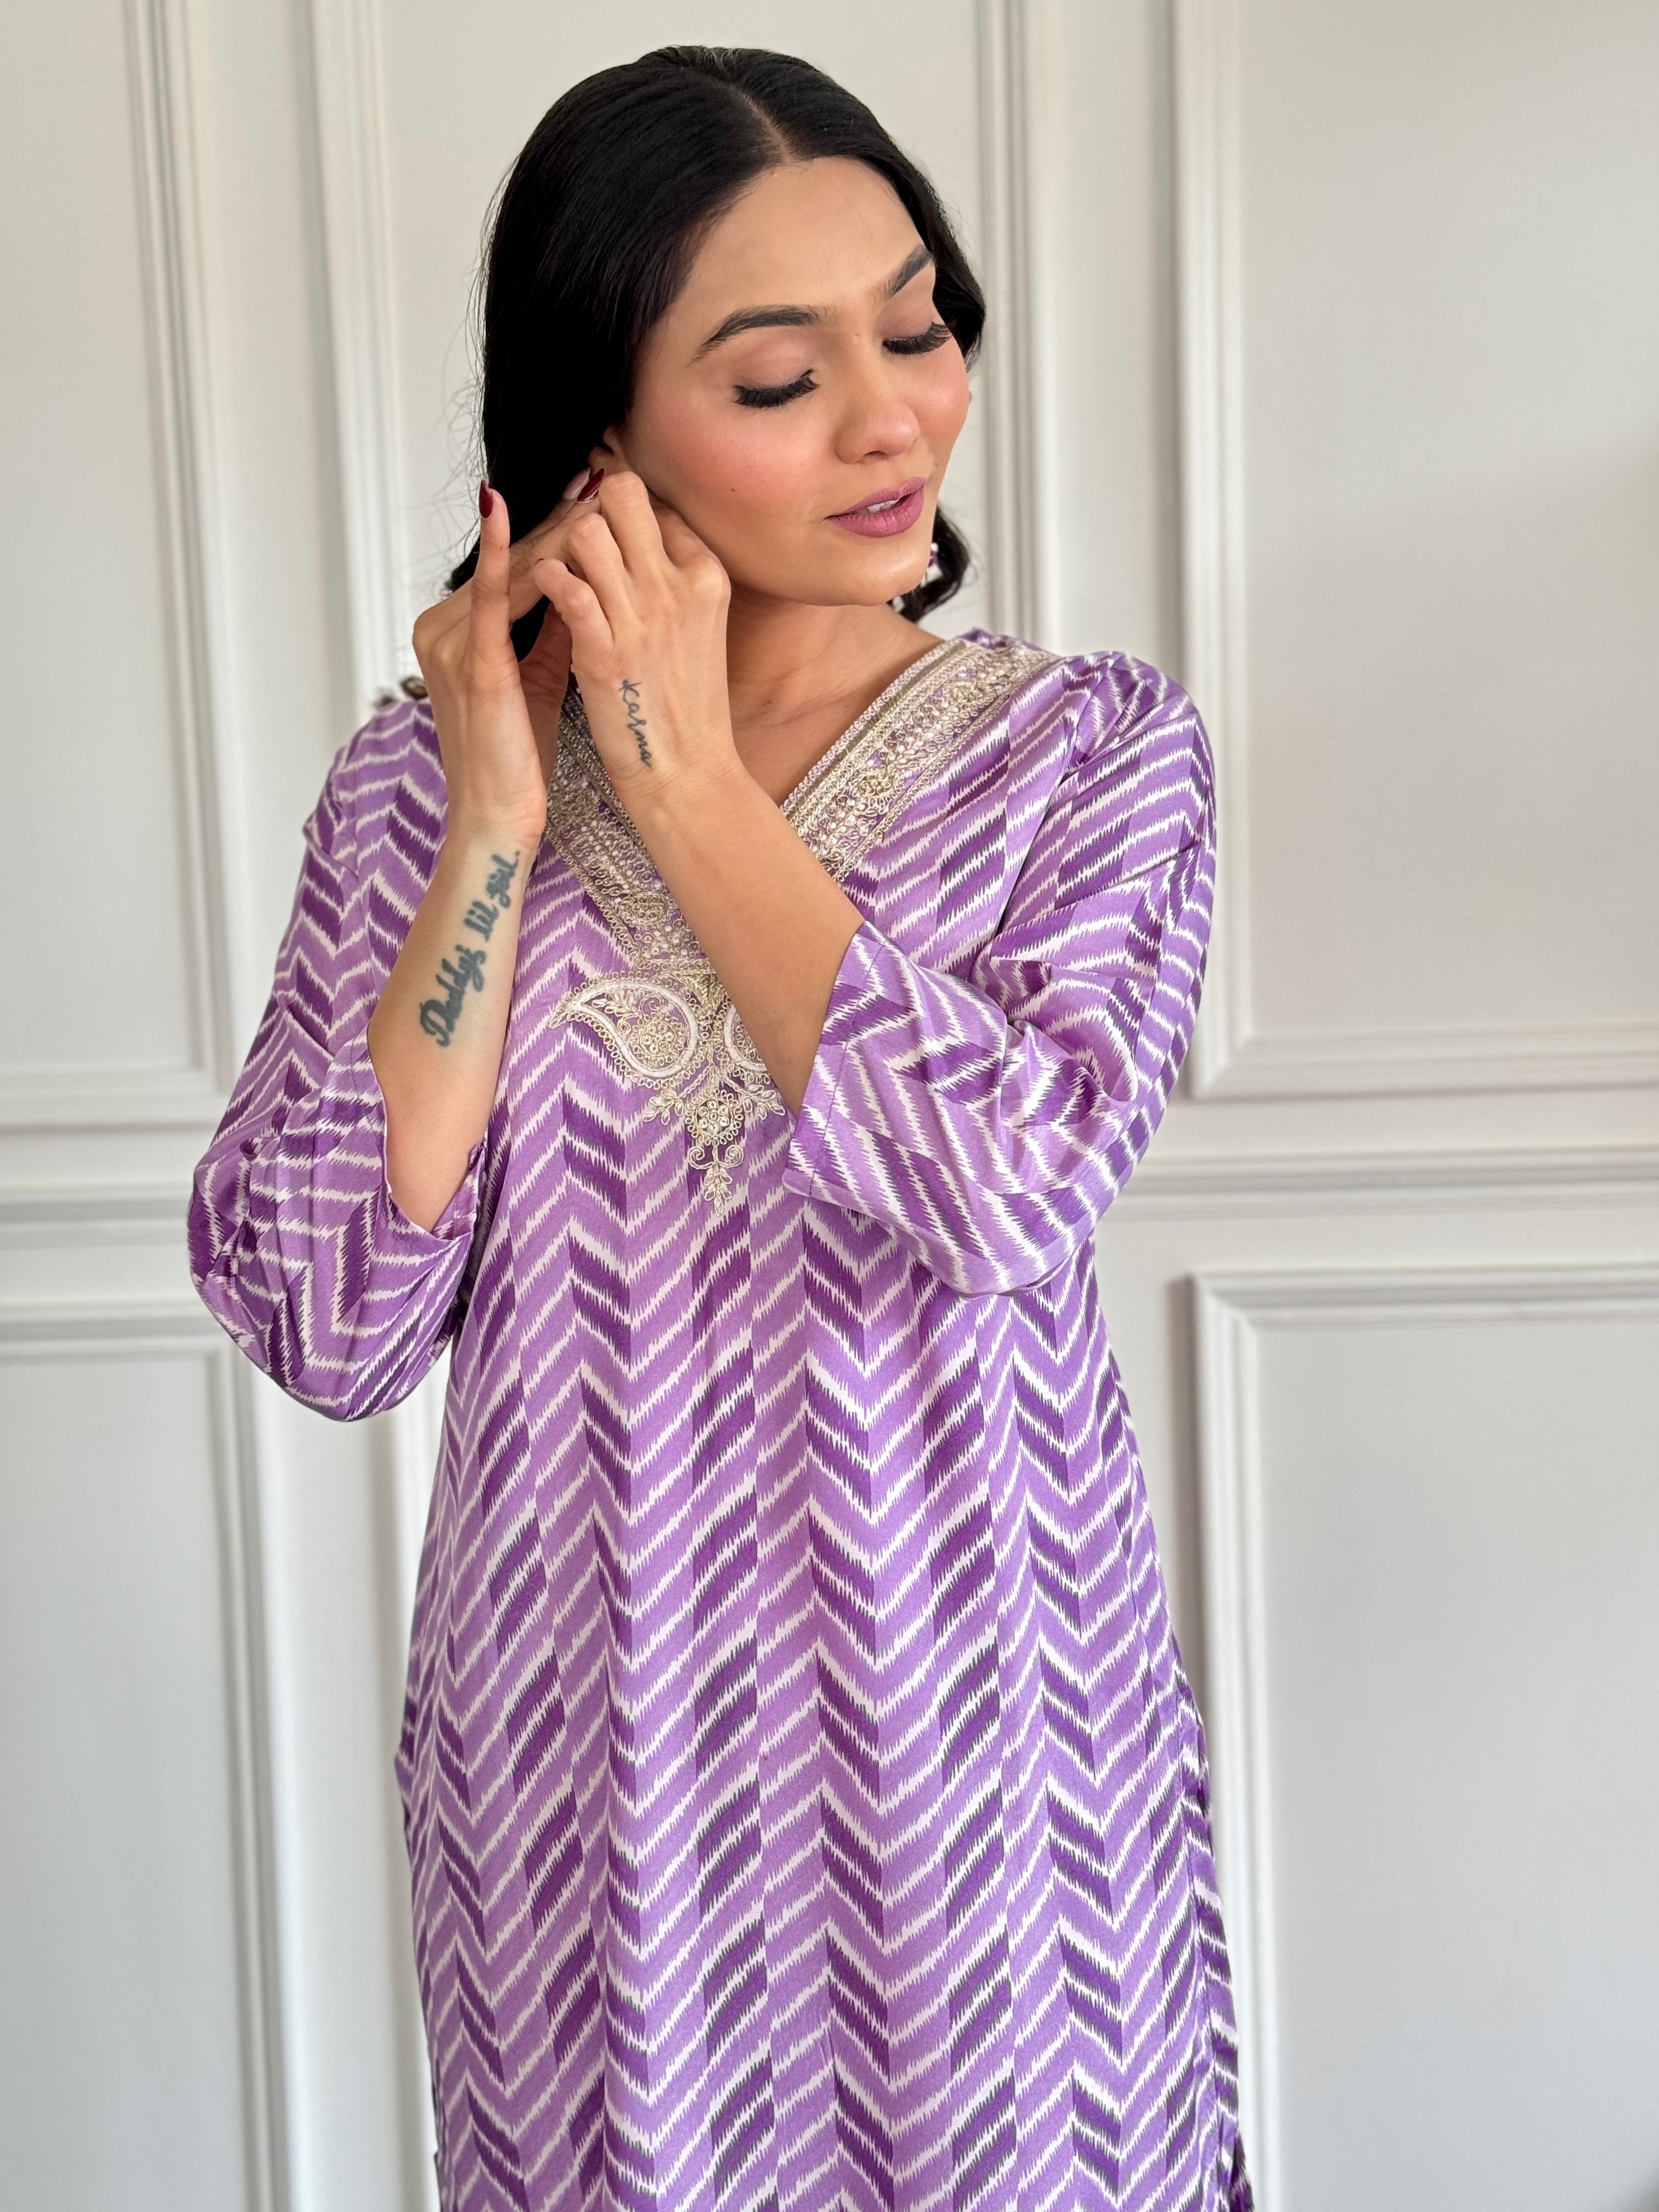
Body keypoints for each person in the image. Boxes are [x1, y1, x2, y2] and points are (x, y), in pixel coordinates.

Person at [189, 43, 1248, 2212]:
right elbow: (324, 1314)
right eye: (780, 377)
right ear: (602, 436)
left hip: (978, 1769)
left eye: (917, 329)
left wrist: (678, 782)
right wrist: (501, 812)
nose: (893, 418)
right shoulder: (422, 791)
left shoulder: (1086, 758)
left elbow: (1007, 1185)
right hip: (583, 1793)